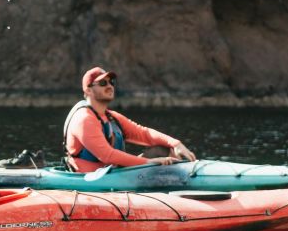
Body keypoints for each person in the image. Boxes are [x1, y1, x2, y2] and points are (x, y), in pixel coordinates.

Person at [64, 67, 196, 173]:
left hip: (114, 173)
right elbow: (106, 155)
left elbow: (144, 134)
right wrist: (150, 162)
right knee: (159, 159)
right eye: (103, 83)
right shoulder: (84, 119)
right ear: (88, 90)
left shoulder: (112, 117)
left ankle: (185, 176)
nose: (109, 86)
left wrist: (175, 144)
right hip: (90, 180)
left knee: (163, 149)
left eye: (111, 82)